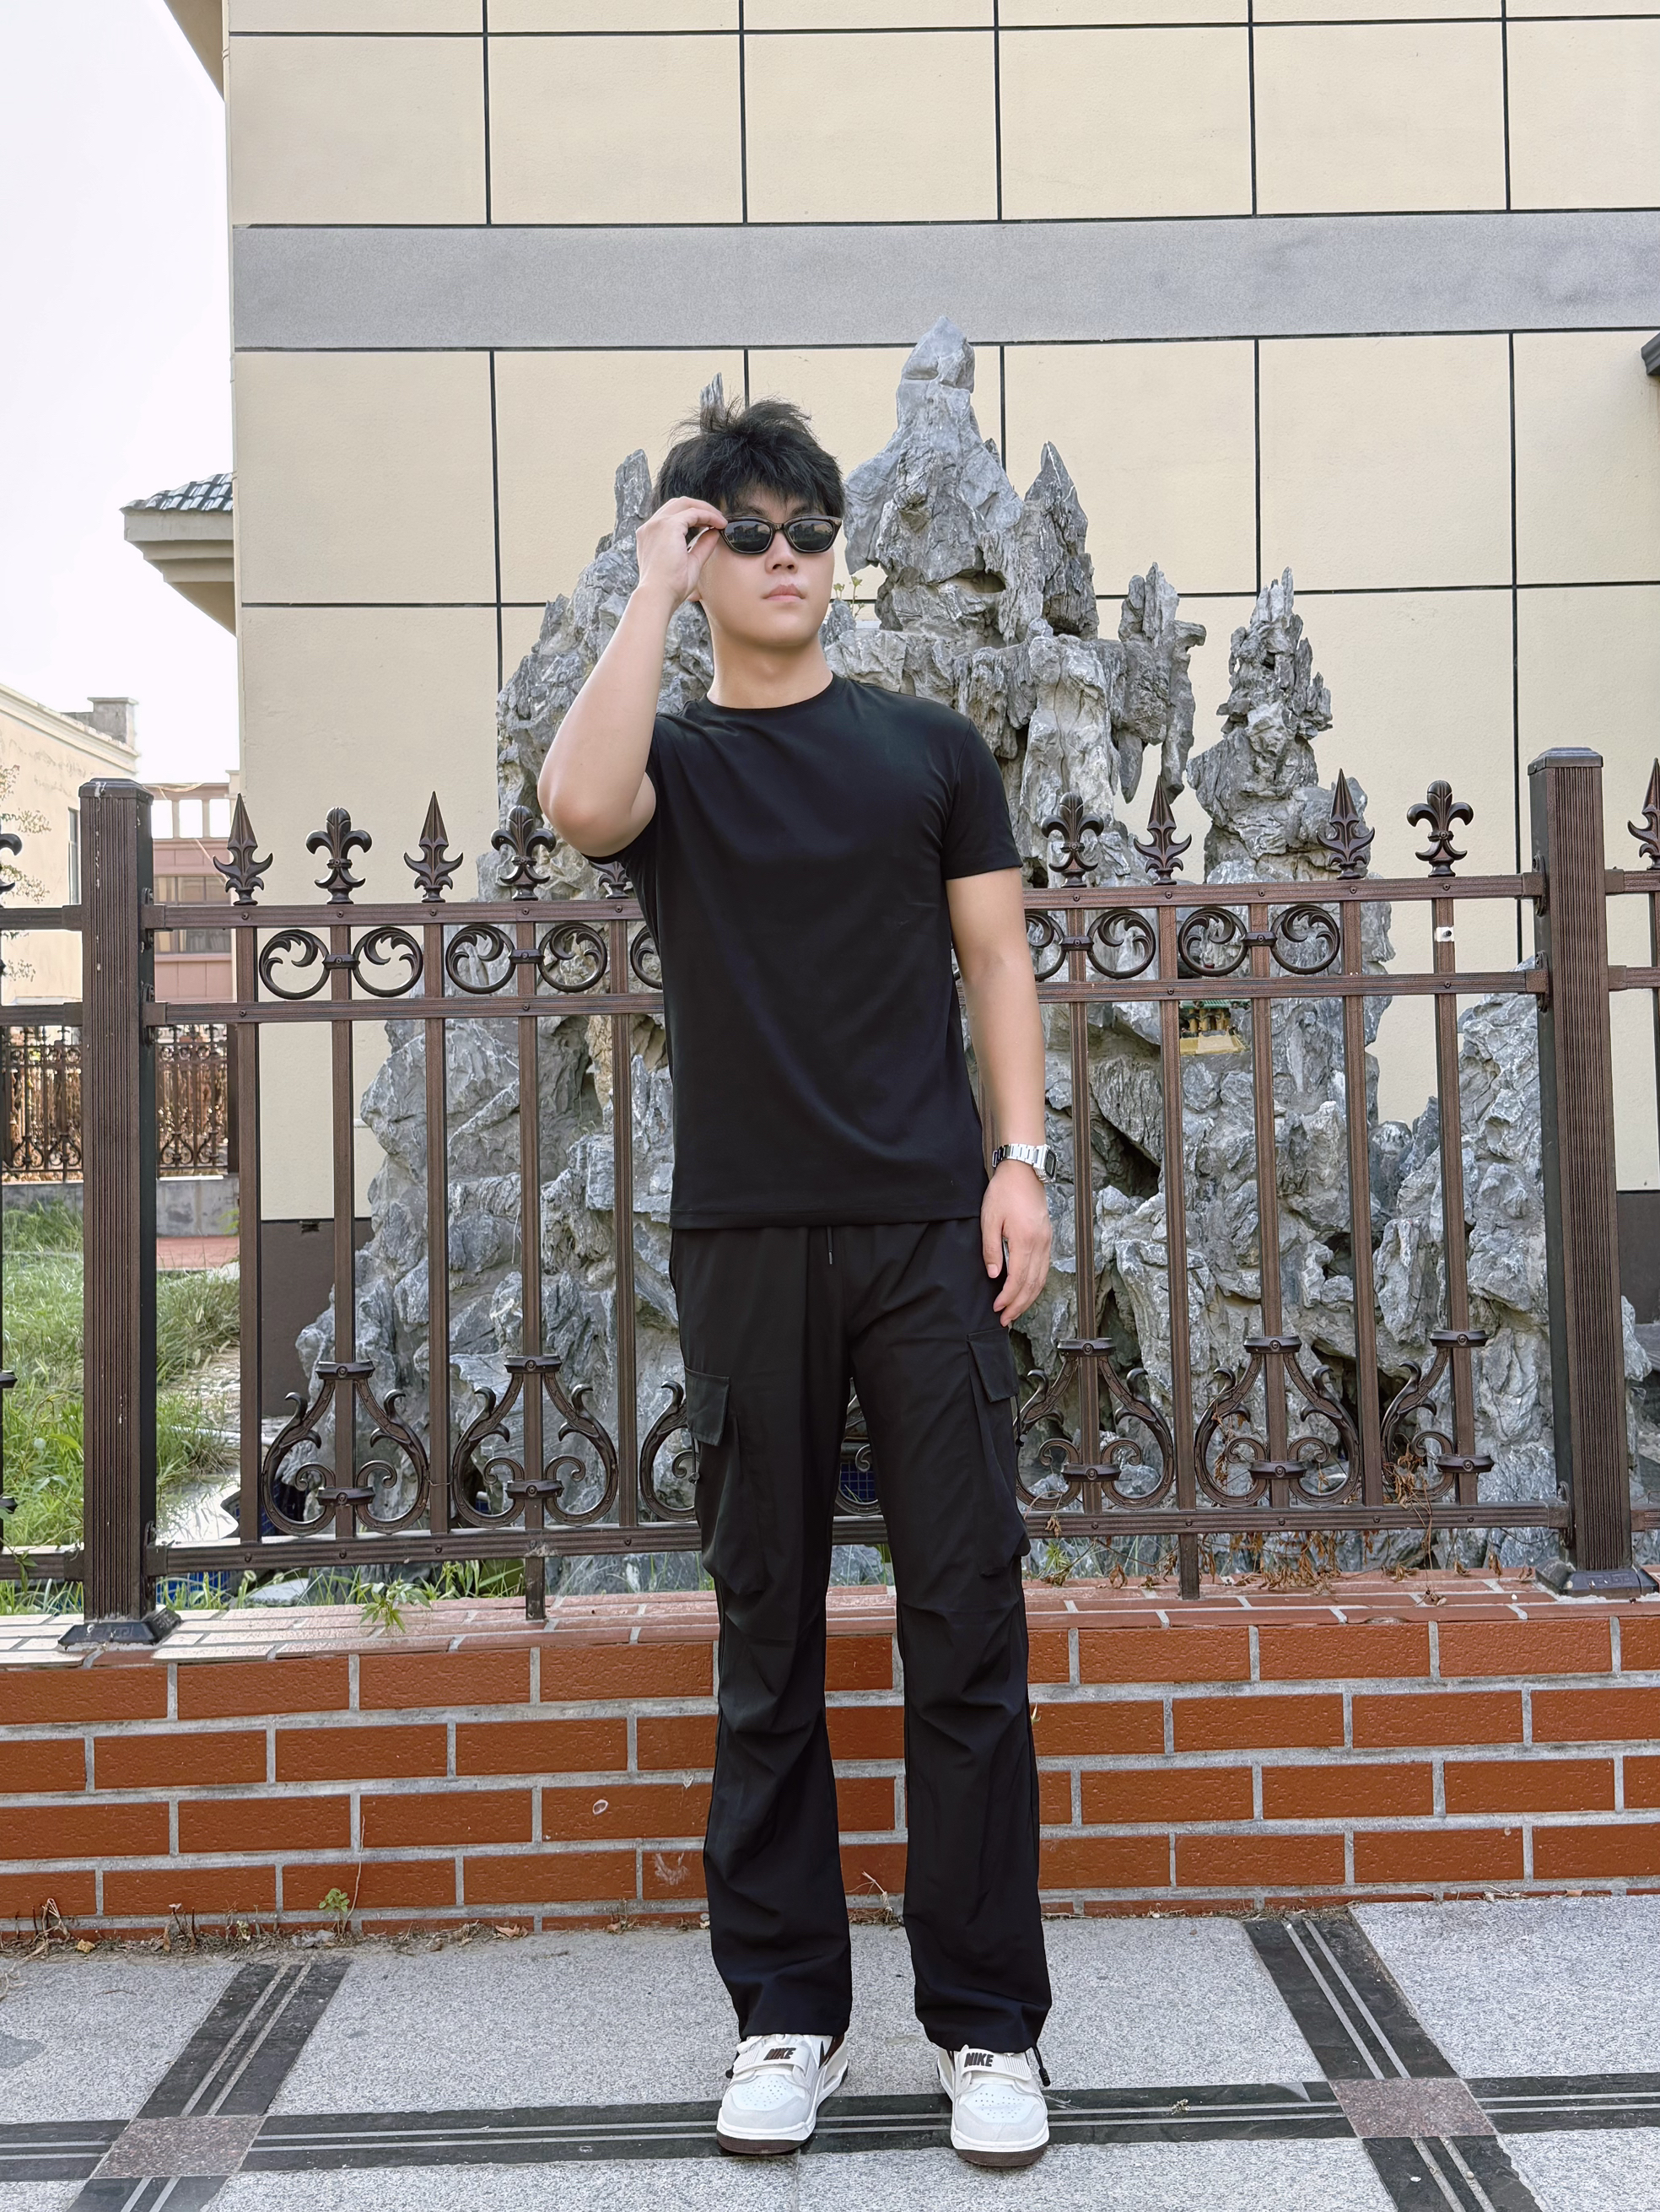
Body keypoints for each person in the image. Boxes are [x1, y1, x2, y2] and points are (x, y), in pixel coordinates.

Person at [538, 394, 1055, 2171]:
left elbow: (998, 960)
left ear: (841, 551)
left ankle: (988, 2026)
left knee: (965, 1627)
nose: (780, 557)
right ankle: (785, 2013)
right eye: (740, 531)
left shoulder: (929, 749)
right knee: (766, 1632)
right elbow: (578, 804)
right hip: (747, 1237)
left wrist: (1021, 1159)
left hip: (926, 1234)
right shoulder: (673, 761)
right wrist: (646, 590)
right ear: (701, 553)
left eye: (805, 530)